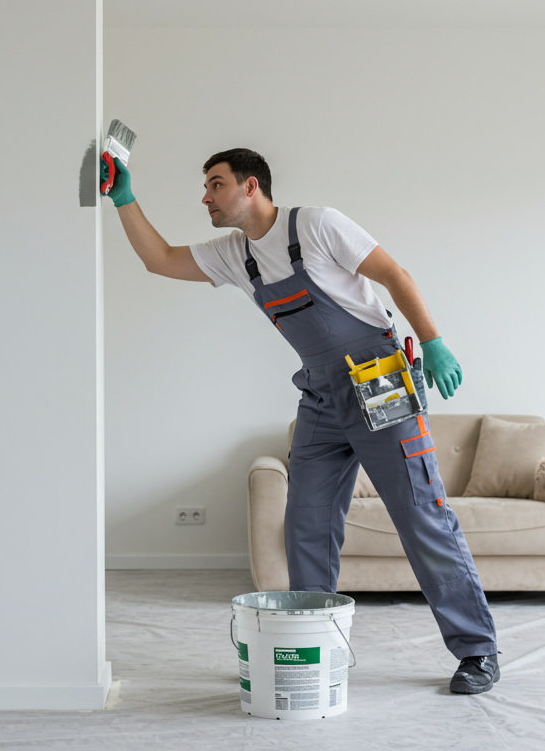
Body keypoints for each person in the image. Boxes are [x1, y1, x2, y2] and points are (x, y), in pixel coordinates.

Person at [102, 148, 500, 694]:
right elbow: (161, 259)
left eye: (215, 185)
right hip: (320, 397)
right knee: (306, 526)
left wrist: (432, 341)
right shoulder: (233, 255)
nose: (205, 197)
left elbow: (392, 273)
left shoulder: (315, 224)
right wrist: (123, 197)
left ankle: (477, 650)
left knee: (421, 518)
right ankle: (318, 648)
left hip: (379, 381)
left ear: (251, 187)